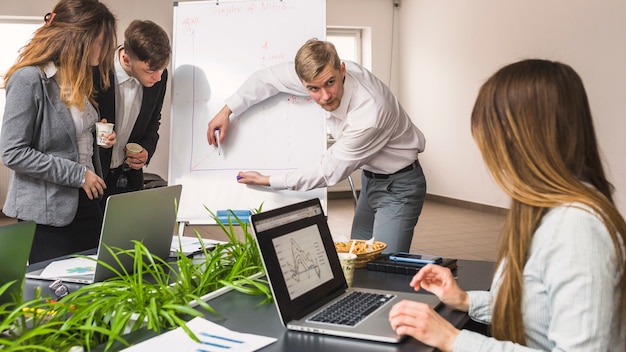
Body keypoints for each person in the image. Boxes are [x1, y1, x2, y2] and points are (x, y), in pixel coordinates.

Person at [388, 59, 626, 351]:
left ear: (518, 136)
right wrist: (464, 299)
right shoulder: (544, 209)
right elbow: (537, 305)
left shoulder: (576, 227)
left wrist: (452, 340)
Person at [207, 39, 427, 253]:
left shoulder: (369, 113)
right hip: (371, 179)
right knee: (357, 260)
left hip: (399, 186)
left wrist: (267, 180)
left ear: (342, 70)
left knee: (384, 267)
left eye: (330, 83)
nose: (325, 96)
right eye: (313, 88)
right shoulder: (318, 74)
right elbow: (266, 79)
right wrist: (226, 110)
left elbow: (326, 172)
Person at [0, 0, 117, 263]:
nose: (103, 50)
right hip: (47, 212)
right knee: (60, 296)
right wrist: (78, 174)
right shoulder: (29, 79)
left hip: (88, 201)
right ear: (76, 37)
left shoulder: (78, 78)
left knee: (99, 288)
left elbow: (72, 135)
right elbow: (13, 153)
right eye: (99, 42)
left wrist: (100, 137)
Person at [93, 19, 170, 205]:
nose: (158, 77)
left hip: (129, 180)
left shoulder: (159, 76)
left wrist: (146, 150)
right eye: (151, 70)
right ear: (126, 59)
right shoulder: (95, 70)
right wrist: (96, 136)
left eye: (162, 69)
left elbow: (154, 122)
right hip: (94, 178)